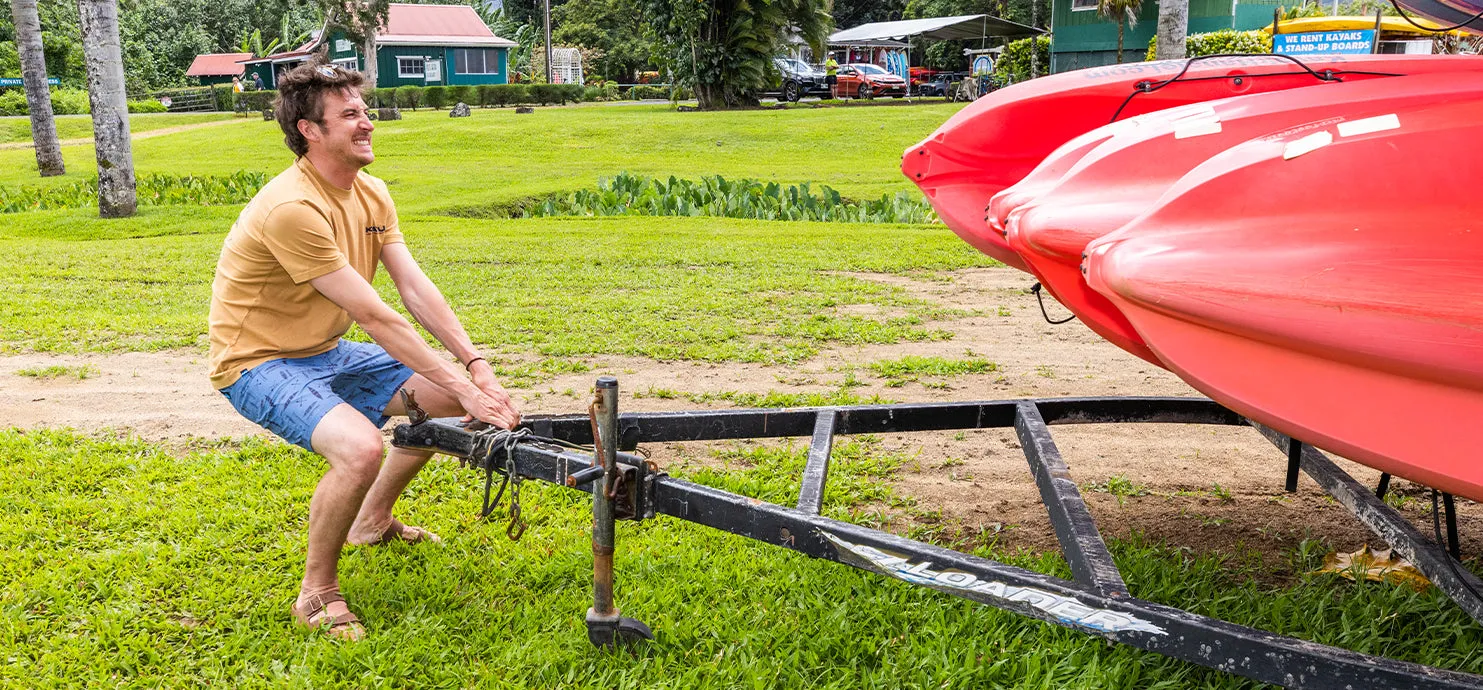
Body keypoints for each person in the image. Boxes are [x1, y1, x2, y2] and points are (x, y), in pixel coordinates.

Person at [208, 61, 521, 641]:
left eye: (365, 111)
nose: (366, 123)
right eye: (350, 114)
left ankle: (372, 522)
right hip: (255, 363)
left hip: (324, 351)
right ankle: (317, 593)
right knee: (358, 449)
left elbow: (413, 288)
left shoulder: (371, 192)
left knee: (444, 401)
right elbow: (375, 315)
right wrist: (464, 386)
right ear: (310, 130)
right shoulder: (292, 208)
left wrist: (475, 369)